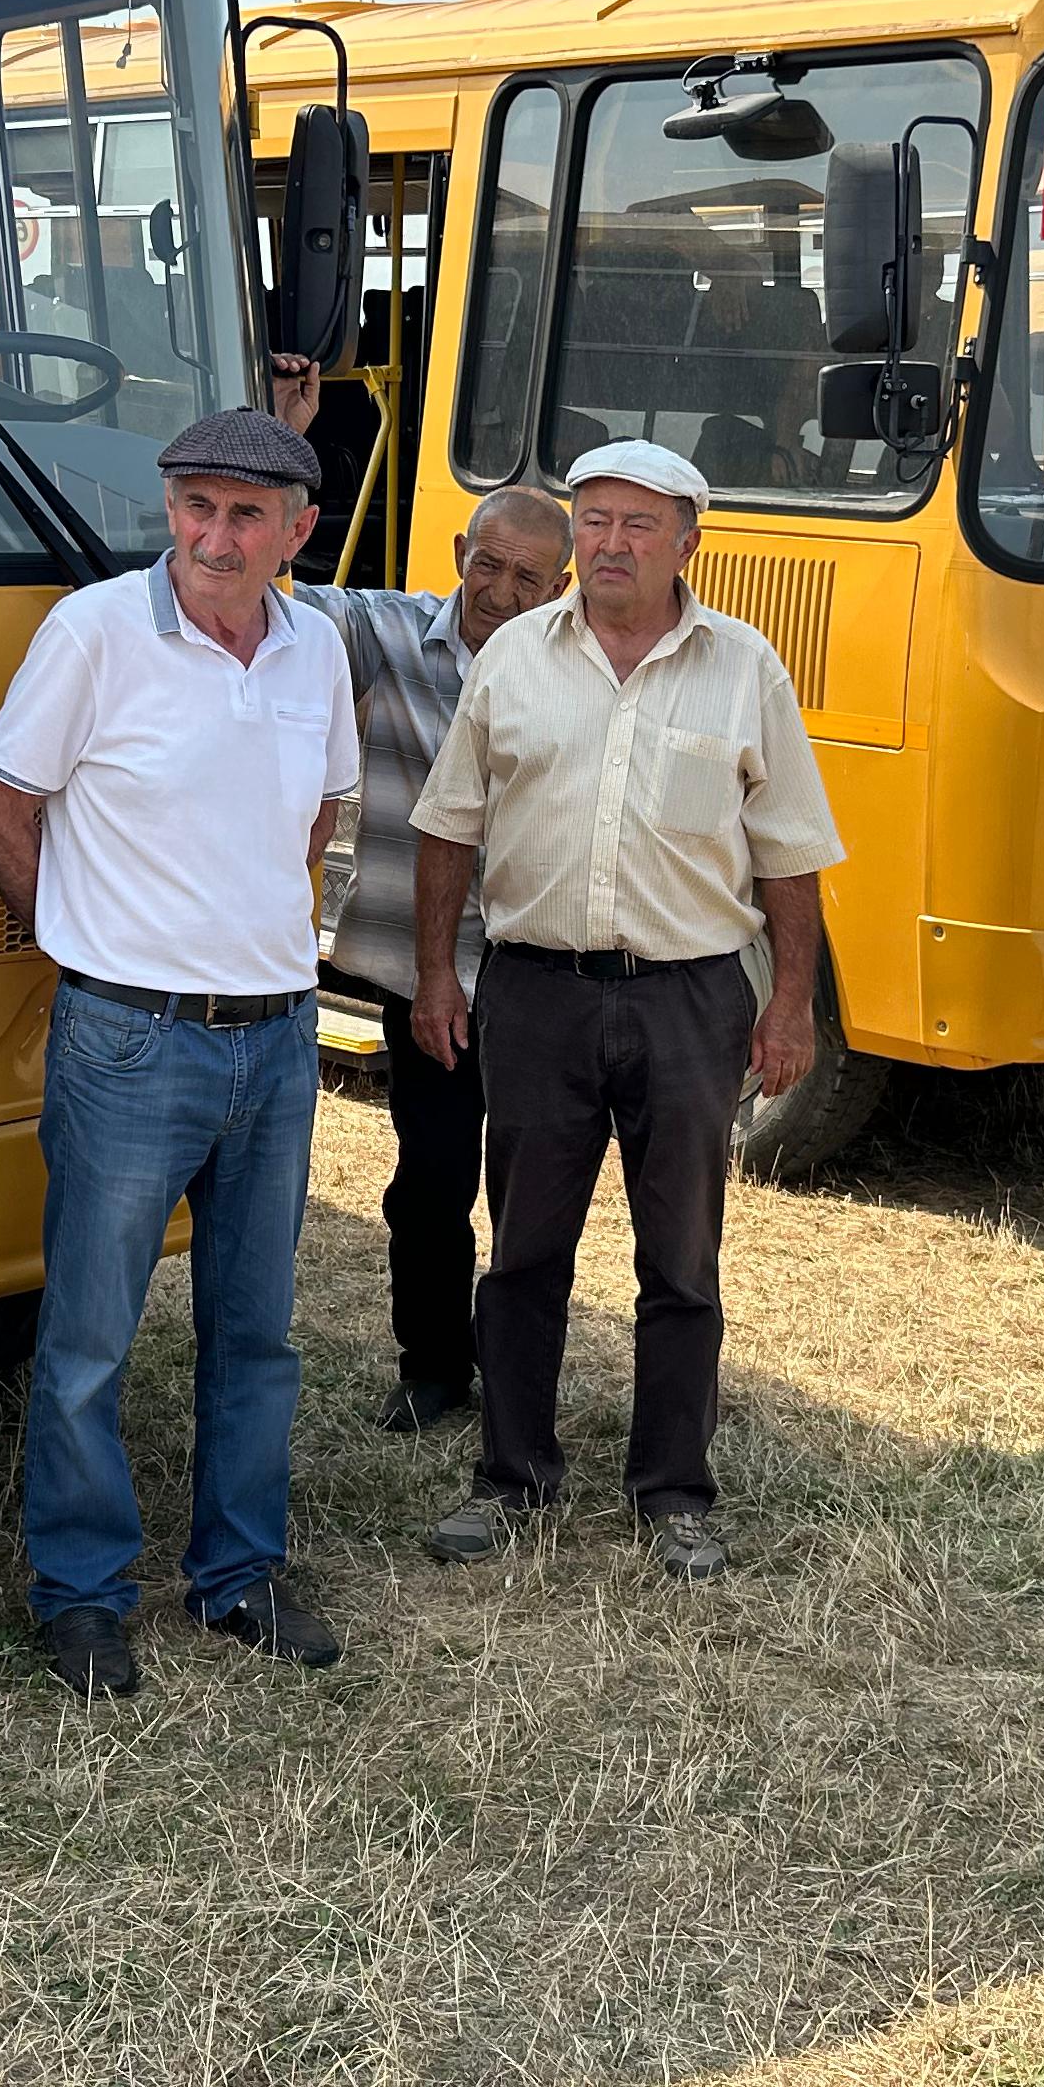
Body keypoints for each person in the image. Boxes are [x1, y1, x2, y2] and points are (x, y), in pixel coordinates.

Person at [0, 407, 360, 1699]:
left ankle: (238, 1574)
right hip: (128, 1040)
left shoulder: (315, 650)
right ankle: (82, 1597)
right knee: (89, 1337)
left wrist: (254, 934)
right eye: (194, 505)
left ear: (298, 531)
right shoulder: (93, 632)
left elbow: (317, 814)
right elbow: (1, 798)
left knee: (257, 1334)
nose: (213, 535)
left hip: (276, 1038)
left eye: (246, 515)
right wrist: (75, 935)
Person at [404, 439, 842, 1581]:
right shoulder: (513, 662)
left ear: (690, 542)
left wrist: (789, 1004)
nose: (609, 542)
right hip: (537, 993)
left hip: (689, 1001)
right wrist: (440, 977)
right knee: (524, 1253)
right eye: (593, 520)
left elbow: (791, 853)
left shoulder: (745, 667)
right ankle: (510, 1480)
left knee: (682, 1261)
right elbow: (449, 822)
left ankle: (673, 1494)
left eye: (638, 524)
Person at [290, 487, 577, 1433]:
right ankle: (432, 1367)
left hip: (547, 978)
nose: (496, 590)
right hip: (432, 975)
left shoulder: (585, 665)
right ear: (459, 549)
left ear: (560, 584)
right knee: (431, 1182)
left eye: (526, 577)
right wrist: (290, 459)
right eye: (484, 563)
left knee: (532, 1195)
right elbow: (284, 599)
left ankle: (520, 1374)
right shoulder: (392, 634)